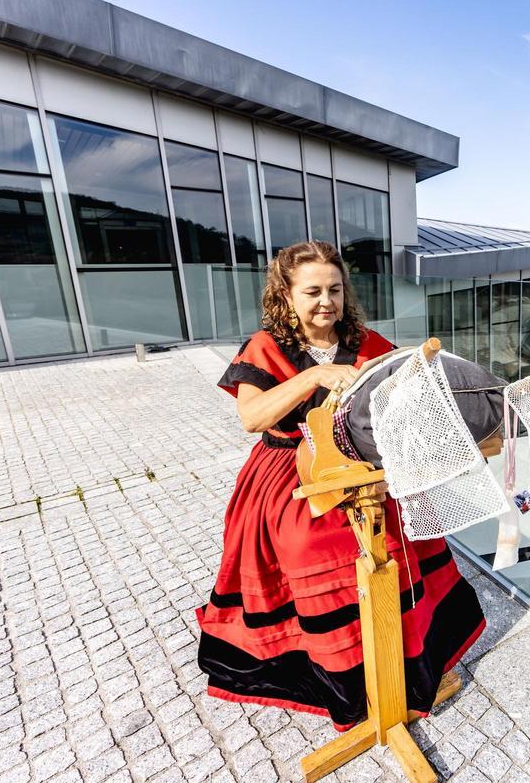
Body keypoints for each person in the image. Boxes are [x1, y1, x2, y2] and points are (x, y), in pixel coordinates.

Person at [195, 240, 486, 730]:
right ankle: (343, 678)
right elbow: (251, 417)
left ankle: (401, 668)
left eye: (334, 289)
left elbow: (404, 397)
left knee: (403, 541)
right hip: (290, 468)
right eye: (312, 291)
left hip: (365, 468)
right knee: (307, 545)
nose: (326, 301)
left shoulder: (368, 343)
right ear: (285, 296)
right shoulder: (264, 347)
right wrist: (313, 380)